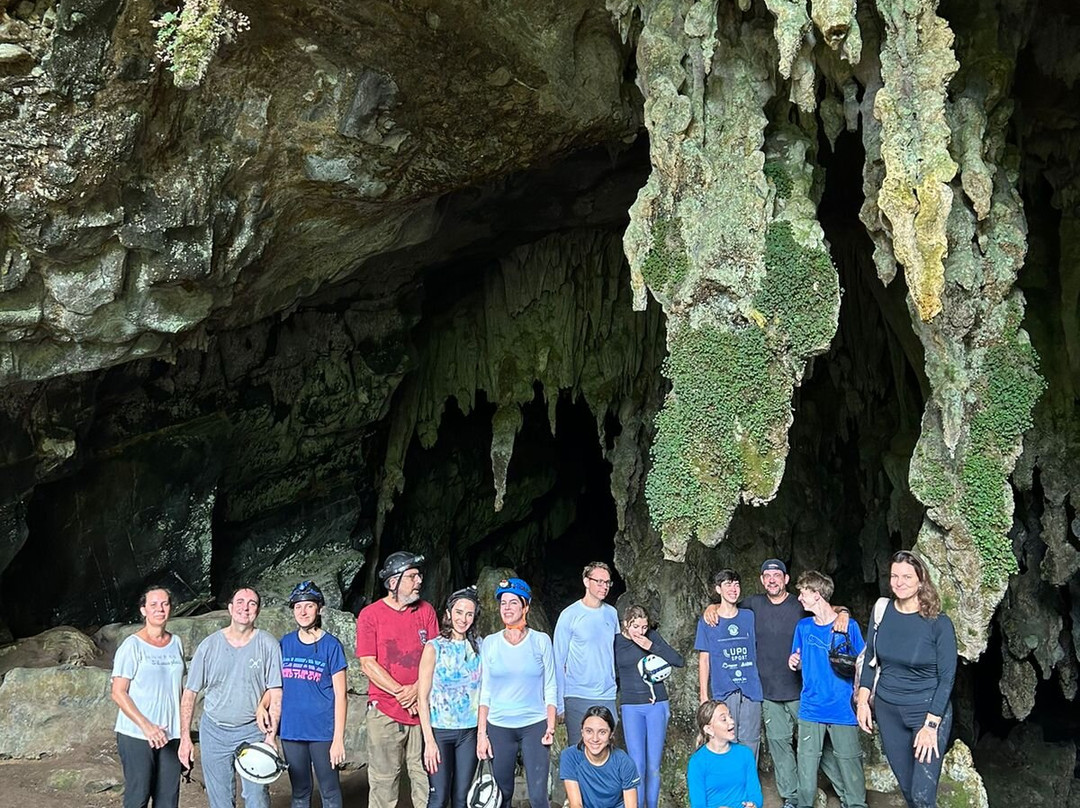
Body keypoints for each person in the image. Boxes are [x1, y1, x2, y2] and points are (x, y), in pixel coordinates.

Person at [702, 559, 849, 808]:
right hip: (768, 694)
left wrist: (843, 612)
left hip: (800, 691)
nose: (772, 580)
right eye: (767, 576)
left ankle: (847, 794)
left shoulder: (799, 604)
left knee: (818, 746)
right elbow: (729, 607)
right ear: (761, 580)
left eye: (777, 575)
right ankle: (791, 797)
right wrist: (712, 607)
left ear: (786, 579)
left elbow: (828, 608)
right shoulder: (753, 606)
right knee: (780, 748)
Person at [856, 551, 957, 808]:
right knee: (909, 791)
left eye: (907, 576)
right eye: (894, 576)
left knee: (923, 795)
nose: (899, 582)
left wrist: (931, 726)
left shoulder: (938, 623)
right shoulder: (882, 611)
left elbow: (947, 678)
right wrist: (863, 702)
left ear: (921, 580)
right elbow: (871, 659)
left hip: (927, 711)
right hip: (889, 712)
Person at [179, 587, 282, 808]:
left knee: (257, 798)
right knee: (220, 800)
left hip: (253, 730)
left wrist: (271, 737)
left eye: (252, 603)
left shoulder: (268, 644)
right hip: (214, 732)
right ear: (230, 608)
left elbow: (276, 691)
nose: (245, 608)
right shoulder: (209, 646)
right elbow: (190, 693)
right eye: (240, 602)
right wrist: (185, 738)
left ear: (258, 611)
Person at [356, 551, 439, 808]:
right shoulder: (370, 615)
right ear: (393, 583)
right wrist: (401, 693)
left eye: (419, 576)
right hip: (385, 710)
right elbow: (368, 663)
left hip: (422, 708)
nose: (419, 581)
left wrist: (416, 691)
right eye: (412, 576)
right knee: (384, 778)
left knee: (424, 773)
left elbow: (437, 656)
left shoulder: (426, 611)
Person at [787, 571, 867, 808]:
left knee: (850, 762)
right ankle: (804, 804)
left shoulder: (849, 626)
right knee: (807, 763)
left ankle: (856, 805)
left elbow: (863, 662)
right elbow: (799, 661)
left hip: (843, 706)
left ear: (817, 594)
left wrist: (861, 698)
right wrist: (795, 662)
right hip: (811, 706)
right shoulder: (803, 627)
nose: (799, 598)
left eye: (803, 592)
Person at [476, 577, 557, 808]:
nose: (507, 608)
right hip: (500, 725)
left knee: (539, 795)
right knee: (502, 794)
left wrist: (550, 726)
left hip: (535, 724)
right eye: (503, 603)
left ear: (526, 606)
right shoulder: (490, 643)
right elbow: (486, 692)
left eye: (513, 603)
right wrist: (482, 735)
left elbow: (550, 685)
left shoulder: (541, 641)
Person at [110, 586, 186, 808]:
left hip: (170, 735)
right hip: (136, 734)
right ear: (143, 610)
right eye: (153, 605)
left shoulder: (176, 643)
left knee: (168, 799)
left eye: (164, 604)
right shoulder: (132, 646)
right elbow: (118, 692)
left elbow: (179, 690)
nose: (159, 609)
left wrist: (184, 734)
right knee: (138, 796)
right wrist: (147, 726)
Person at [279, 581, 347, 808]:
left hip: (323, 733)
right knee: (300, 791)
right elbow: (274, 686)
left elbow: (341, 695)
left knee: (329, 790)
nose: (303, 611)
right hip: (291, 731)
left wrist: (338, 739)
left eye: (308, 606)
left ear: (318, 608)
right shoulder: (285, 644)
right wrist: (263, 705)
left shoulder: (331, 646)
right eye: (298, 607)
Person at [418, 586, 482, 808]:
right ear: (448, 613)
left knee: (462, 798)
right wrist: (429, 741)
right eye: (458, 612)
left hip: (469, 732)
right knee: (438, 796)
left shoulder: (480, 647)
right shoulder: (433, 647)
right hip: (439, 732)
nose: (463, 619)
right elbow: (422, 698)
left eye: (469, 614)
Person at [613, 604, 683, 808]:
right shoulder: (616, 641)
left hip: (656, 704)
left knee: (653, 765)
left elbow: (678, 660)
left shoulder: (652, 636)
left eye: (644, 627)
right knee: (637, 764)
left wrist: (651, 645)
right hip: (631, 706)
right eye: (636, 627)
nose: (640, 632)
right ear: (626, 624)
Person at [694, 569, 763, 758]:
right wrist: (703, 695)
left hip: (751, 690)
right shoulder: (708, 621)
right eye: (727, 584)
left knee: (751, 742)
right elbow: (704, 659)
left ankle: (748, 785)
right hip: (723, 690)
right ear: (718, 589)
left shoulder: (749, 616)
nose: (733, 589)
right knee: (724, 741)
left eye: (736, 584)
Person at [554, 561, 621, 746]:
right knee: (579, 749)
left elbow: (617, 652)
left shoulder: (612, 614)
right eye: (599, 581)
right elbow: (558, 660)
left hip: (607, 694)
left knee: (607, 749)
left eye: (607, 582)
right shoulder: (570, 615)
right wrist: (559, 703)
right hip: (577, 694)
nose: (604, 587)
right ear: (586, 581)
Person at [559, 706, 640, 808]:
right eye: (589, 731)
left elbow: (631, 806)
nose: (595, 738)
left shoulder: (624, 762)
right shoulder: (570, 756)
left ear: (611, 734)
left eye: (602, 732)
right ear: (582, 732)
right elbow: (576, 804)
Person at [686, 700, 763, 808]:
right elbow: (698, 804)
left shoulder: (745, 754)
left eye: (730, 716)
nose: (731, 722)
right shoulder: (697, 763)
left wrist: (754, 804)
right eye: (724, 719)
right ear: (709, 729)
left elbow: (755, 793)